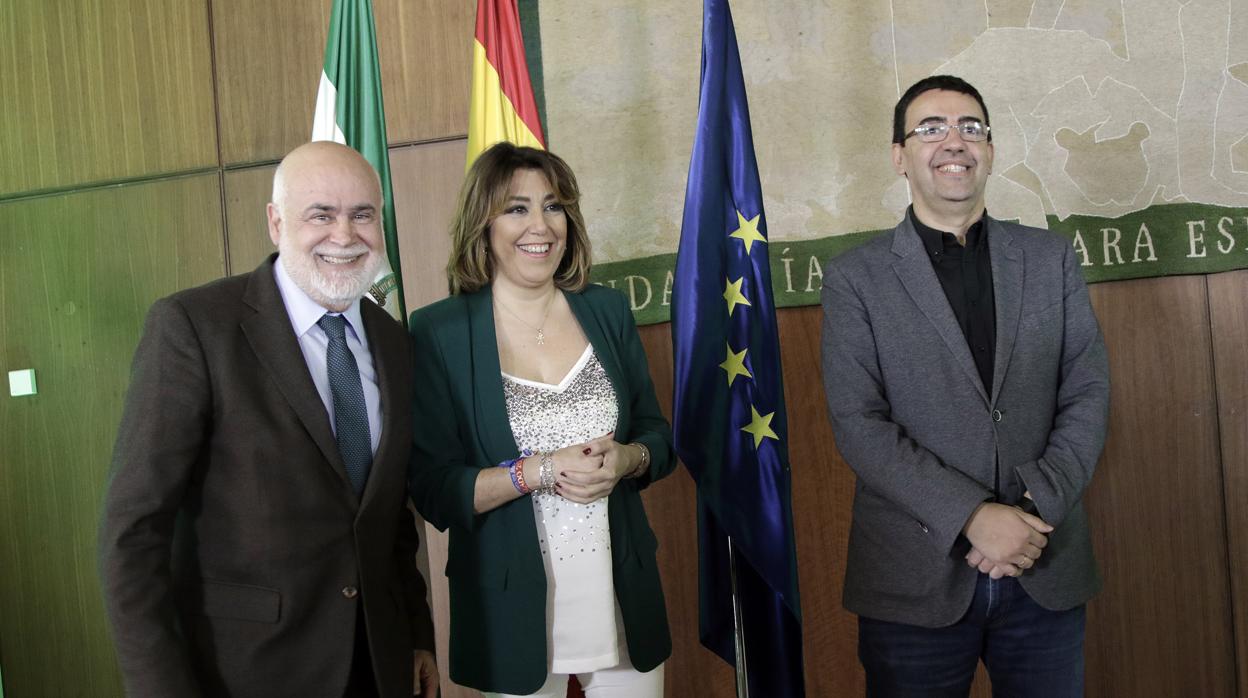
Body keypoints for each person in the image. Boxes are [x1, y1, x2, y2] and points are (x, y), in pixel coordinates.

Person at [99, 141, 438, 697]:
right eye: (321, 214)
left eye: (362, 214)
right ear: (276, 222)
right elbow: (132, 532)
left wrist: (417, 635)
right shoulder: (193, 327)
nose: (345, 235)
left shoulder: (394, 342)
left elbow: (388, 514)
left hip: (378, 665)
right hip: (246, 672)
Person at [821, 75, 1111, 696]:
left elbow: (1086, 390)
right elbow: (858, 423)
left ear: (990, 150)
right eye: (931, 129)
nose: (954, 141)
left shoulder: (1050, 257)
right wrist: (973, 516)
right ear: (899, 157)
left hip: (1045, 563)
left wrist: (1029, 515)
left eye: (970, 128)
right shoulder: (855, 278)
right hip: (913, 579)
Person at [407, 142, 673, 698]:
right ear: (483, 224)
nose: (541, 226)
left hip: (623, 594)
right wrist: (537, 470)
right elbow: (434, 490)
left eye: (553, 206)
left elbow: (657, 436)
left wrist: (629, 458)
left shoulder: (607, 309)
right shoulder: (439, 332)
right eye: (516, 208)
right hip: (510, 608)